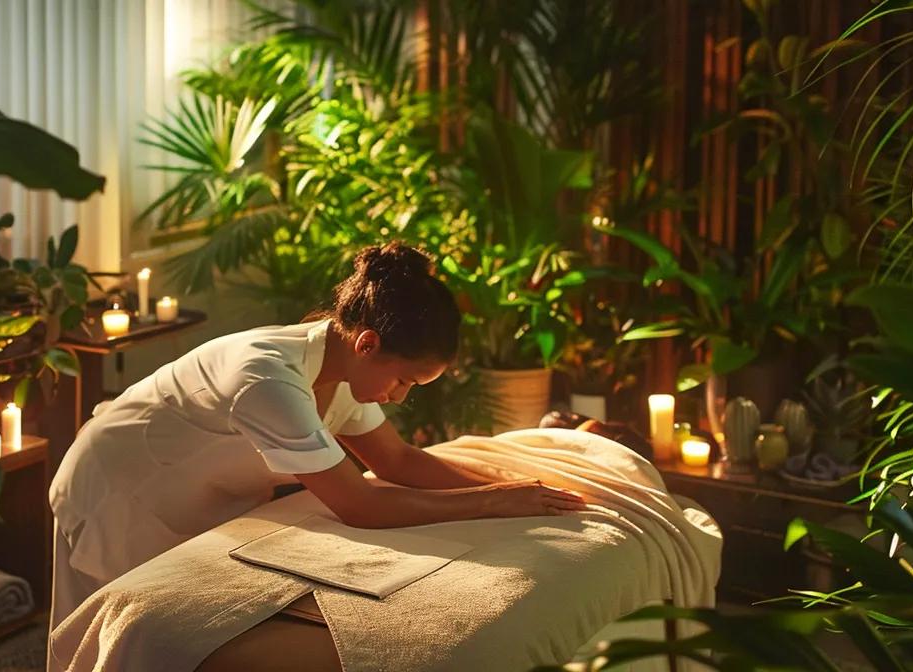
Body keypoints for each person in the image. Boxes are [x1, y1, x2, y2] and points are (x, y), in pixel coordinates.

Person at [46, 242, 587, 632]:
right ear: (369, 343)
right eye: (404, 380)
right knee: (111, 638)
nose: (400, 396)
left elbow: (398, 461)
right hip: (118, 484)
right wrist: (493, 504)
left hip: (189, 488)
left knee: (176, 632)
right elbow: (358, 503)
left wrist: (521, 490)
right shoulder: (267, 378)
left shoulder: (345, 369)